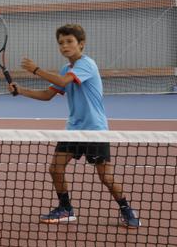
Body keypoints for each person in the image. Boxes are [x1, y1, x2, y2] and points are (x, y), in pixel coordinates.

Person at [8, 24, 140, 228]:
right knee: (55, 168)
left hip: (94, 129)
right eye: (61, 42)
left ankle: (125, 208)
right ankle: (66, 208)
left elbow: (63, 80)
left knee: (105, 176)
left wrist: (36, 69)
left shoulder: (87, 64)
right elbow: (47, 95)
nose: (64, 46)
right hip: (74, 129)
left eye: (69, 41)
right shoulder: (65, 69)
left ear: (81, 44)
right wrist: (21, 90)